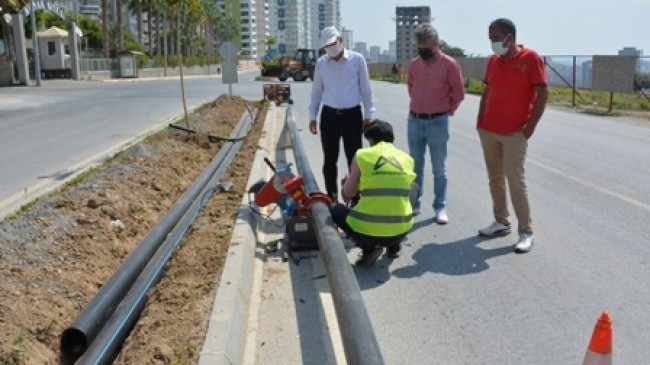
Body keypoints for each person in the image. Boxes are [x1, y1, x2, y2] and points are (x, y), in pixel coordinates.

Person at [476, 18, 548, 253]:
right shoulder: (493, 61)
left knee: (516, 181)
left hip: (515, 132)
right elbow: (487, 90)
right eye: (490, 39)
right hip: (489, 130)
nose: (493, 43)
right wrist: (480, 121)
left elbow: (542, 93)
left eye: (496, 38)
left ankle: (526, 231)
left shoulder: (530, 58)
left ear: (510, 37)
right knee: (495, 178)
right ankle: (501, 221)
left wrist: (529, 129)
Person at [330, 120, 417, 267]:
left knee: (334, 209)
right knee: (413, 188)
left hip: (367, 233)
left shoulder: (362, 155)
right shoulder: (407, 159)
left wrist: (348, 182)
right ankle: (394, 247)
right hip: (400, 232)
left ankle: (368, 249)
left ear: (370, 140)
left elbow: (348, 194)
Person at [309, 26, 375, 203]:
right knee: (329, 160)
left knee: (354, 160)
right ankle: (332, 198)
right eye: (326, 46)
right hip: (329, 116)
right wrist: (312, 116)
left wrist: (369, 113)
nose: (329, 48)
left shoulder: (357, 60)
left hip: (352, 116)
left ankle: (355, 198)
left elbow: (366, 89)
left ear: (340, 41)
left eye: (332, 44)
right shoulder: (322, 63)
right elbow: (316, 91)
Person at [407, 24, 465, 223]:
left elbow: (458, 93)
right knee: (415, 166)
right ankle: (415, 204)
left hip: (437, 122)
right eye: (420, 46)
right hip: (415, 120)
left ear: (436, 44)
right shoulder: (414, 64)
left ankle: (440, 206)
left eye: (427, 47)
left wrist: (448, 111)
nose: (423, 50)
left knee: (439, 168)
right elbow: (411, 87)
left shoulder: (449, 64)